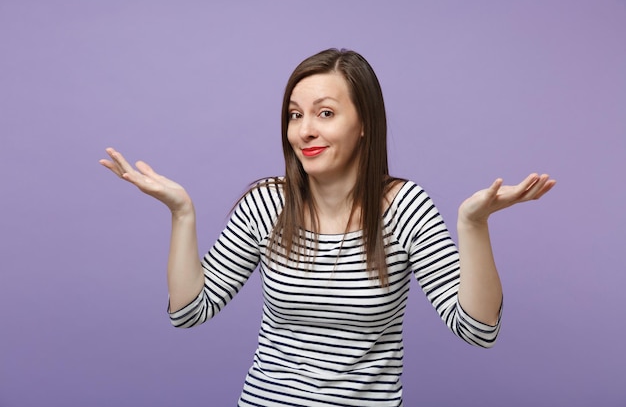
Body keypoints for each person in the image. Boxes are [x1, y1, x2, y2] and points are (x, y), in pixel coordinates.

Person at [99, 48, 555, 406]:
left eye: (325, 113)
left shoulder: (404, 209)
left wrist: (472, 224)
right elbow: (188, 312)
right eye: (295, 115)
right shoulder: (267, 204)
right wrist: (182, 213)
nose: (304, 131)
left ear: (364, 125)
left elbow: (478, 329)